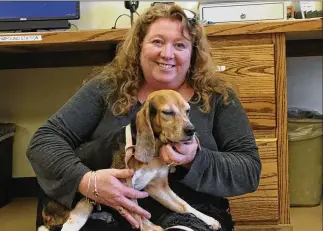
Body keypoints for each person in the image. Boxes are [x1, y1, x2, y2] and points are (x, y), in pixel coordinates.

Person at [27, 3, 261, 231]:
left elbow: (249, 171)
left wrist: (194, 159)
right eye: (157, 42)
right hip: (106, 209)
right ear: (139, 46)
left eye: (180, 45)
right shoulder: (107, 88)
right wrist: (88, 181)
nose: (167, 53)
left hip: (191, 210)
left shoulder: (217, 96)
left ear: (193, 53)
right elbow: (43, 142)